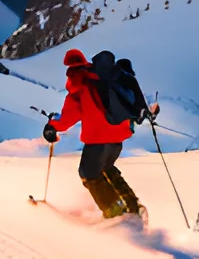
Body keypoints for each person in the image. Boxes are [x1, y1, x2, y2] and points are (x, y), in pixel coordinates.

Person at [43, 48, 158, 219]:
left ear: (69, 68)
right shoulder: (103, 79)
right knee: (107, 168)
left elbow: (68, 118)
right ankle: (133, 207)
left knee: (89, 174)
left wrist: (52, 127)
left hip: (98, 139)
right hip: (118, 136)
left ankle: (117, 214)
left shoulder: (79, 84)